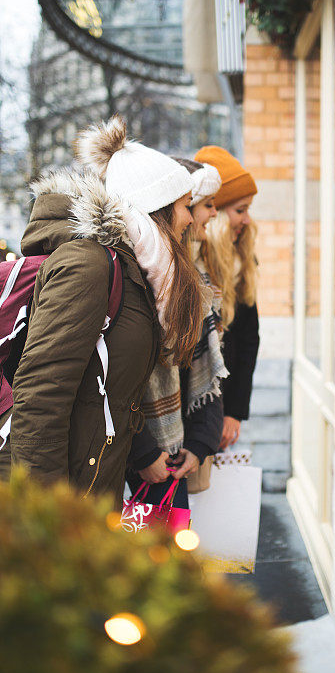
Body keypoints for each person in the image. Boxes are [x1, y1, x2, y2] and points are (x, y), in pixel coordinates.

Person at [0, 116, 203, 509]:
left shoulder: (140, 276)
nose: (191, 219)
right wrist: (47, 515)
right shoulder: (91, 266)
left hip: (91, 483)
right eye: (185, 207)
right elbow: (42, 394)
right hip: (54, 494)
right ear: (158, 208)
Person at [126, 159, 226, 503]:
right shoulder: (135, 276)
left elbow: (199, 363)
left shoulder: (186, 276)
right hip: (138, 450)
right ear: (164, 209)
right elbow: (114, 380)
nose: (213, 214)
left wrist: (200, 441)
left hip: (171, 446)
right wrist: (142, 452)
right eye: (200, 205)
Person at [194, 146, 260, 450]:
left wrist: (234, 412)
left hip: (224, 406)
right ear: (216, 213)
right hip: (194, 406)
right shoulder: (193, 264)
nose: (246, 220)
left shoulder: (243, 260)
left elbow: (248, 339)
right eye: (240, 210)